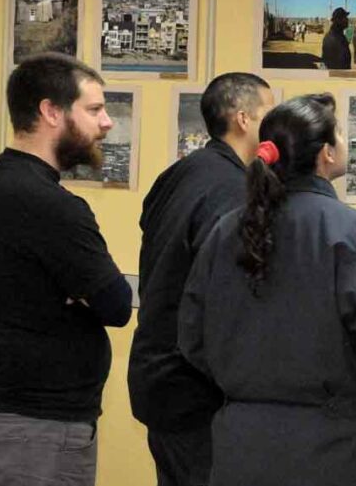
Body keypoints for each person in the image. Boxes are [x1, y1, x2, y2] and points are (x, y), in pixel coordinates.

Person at [178, 94, 356, 486]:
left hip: (239, 449)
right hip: (331, 450)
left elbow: (192, 339)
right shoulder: (352, 233)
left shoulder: (226, 231)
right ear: (326, 153)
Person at [0, 53, 133, 486]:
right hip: (32, 437)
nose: (107, 122)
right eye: (94, 109)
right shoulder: (48, 205)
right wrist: (77, 296)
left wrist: (73, 294)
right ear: (51, 111)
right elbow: (116, 305)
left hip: (4, 425)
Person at [128, 72, 275, 486]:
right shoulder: (234, 191)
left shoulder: (180, 174)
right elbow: (225, 294)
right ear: (244, 119)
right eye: (270, 112)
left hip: (158, 379)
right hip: (195, 390)